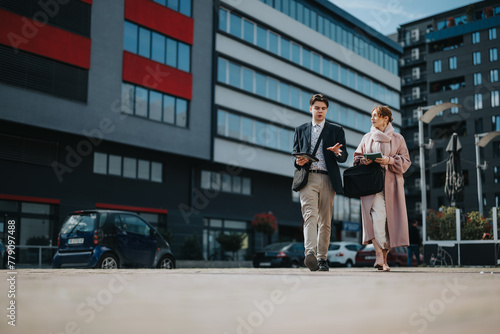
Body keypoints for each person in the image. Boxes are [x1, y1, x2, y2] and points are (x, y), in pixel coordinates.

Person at [292, 94, 348, 271]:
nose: (320, 111)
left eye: (323, 108)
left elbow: (344, 156)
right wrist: (298, 161)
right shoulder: (300, 130)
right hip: (308, 177)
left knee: (325, 221)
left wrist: (337, 153)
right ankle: (310, 254)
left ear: (326, 110)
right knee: (310, 215)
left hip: (328, 178)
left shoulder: (336, 130)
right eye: (317, 108)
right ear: (311, 109)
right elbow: (295, 154)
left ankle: (322, 258)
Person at [353, 106, 411, 272]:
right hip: (372, 186)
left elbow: (406, 162)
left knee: (390, 223)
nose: (372, 119)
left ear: (386, 118)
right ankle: (379, 256)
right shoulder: (367, 138)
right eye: (371, 116)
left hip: (392, 187)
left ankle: (383, 260)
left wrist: (389, 161)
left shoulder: (398, 138)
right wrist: (364, 161)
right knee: (378, 219)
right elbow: (357, 157)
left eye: (376, 116)